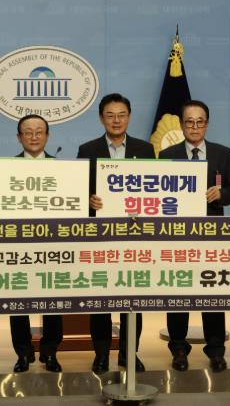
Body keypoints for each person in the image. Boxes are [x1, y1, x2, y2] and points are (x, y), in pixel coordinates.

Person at [159, 99, 230, 373]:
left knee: (212, 293)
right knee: (179, 293)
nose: (194, 127)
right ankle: (179, 348)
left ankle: (216, 350)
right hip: (178, 236)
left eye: (200, 121)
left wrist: (222, 194)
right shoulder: (167, 155)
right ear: (181, 125)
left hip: (212, 235)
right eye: (189, 122)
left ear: (207, 123)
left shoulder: (222, 153)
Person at [77, 93, 155, 374]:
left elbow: (155, 189)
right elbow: (77, 190)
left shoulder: (145, 150)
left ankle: (128, 353)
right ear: (101, 119)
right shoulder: (87, 149)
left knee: (133, 298)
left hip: (135, 235)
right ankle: (100, 354)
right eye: (110, 115)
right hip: (101, 236)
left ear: (129, 117)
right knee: (101, 297)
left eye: (121, 115)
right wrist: (88, 199)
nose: (116, 120)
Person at [9, 114, 63, 373]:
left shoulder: (62, 169)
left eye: (39, 132)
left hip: (52, 246)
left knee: (53, 301)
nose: (33, 137)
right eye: (27, 132)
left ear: (47, 136)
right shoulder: (5, 169)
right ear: (19, 137)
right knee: (18, 301)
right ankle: (23, 353)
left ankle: (50, 352)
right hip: (17, 246)